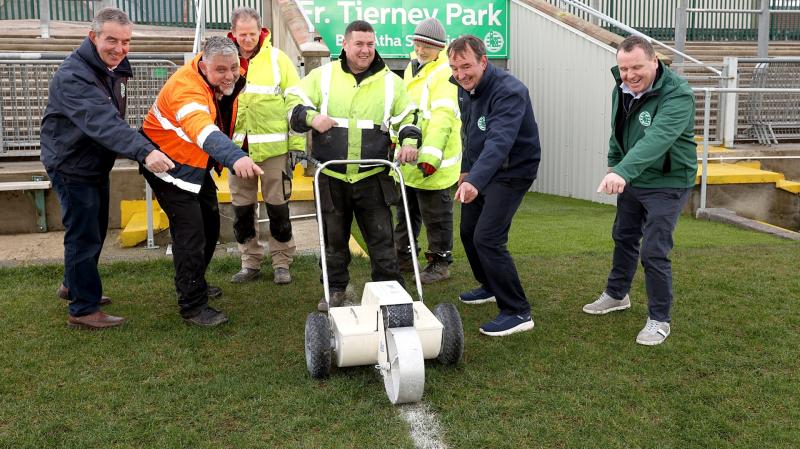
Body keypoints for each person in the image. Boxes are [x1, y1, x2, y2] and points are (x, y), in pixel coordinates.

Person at [40, 7, 174, 329]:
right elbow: (103, 122)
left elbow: (113, 121)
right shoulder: (74, 75)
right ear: (93, 37)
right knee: (84, 235)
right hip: (72, 165)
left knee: (94, 229)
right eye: (111, 40)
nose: (120, 48)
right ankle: (83, 309)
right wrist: (145, 152)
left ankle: (74, 285)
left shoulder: (112, 68)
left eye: (126, 42)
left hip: (92, 163)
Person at [285, 20, 422, 312]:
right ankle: (334, 290)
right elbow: (293, 101)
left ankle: (390, 292)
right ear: (344, 45)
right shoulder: (322, 77)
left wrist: (410, 143)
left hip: (373, 177)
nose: (365, 50)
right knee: (333, 241)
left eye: (370, 44)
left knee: (382, 241)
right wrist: (311, 118)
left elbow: (409, 116)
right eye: (359, 44)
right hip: (331, 177)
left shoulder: (390, 83)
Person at [141, 36, 263, 327]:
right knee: (191, 235)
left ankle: (195, 284)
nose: (230, 75)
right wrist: (236, 158)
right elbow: (203, 130)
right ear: (203, 63)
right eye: (221, 70)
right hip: (167, 166)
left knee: (209, 225)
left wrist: (225, 88)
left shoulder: (224, 73)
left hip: (193, 163)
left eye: (233, 67)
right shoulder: (186, 89)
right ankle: (193, 306)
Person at [584, 35, 697, 346]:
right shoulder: (621, 89)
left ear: (654, 62)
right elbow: (618, 131)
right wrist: (613, 163)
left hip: (668, 182)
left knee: (654, 251)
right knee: (623, 236)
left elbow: (657, 139)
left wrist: (623, 170)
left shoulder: (678, 95)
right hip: (634, 178)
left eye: (637, 67)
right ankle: (617, 295)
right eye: (623, 68)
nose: (630, 75)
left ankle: (659, 320)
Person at [449, 35, 541, 337]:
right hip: (481, 171)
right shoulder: (465, 89)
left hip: (512, 171)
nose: (461, 74)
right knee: (467, 232)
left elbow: (499, 141)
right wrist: (466, 171)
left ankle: (517, 311)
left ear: (483, 61)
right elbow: (468, 132)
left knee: (488, 237)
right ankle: (489, 285)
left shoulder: (509, 91)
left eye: (466, 66)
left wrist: (476, 179)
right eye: (455, 68)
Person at [226, 7, 305, 286]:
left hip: (275, 152)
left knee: (278, 208)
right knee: (243, 210)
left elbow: (295, 103)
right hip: (237, 152)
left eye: (252, 33)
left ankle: (282, 262)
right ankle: (250, 262)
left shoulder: (278, 60)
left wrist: (296, 144)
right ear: (233, 33)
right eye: (242, 34)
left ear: (261, 31)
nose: (247, 39)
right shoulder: (224, 59)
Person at [393, 18, 461, 285]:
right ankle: (404, 257)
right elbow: (408, 110)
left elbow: (443, 118)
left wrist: (431, 157)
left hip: (435, 161)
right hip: (410, 157)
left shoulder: (445, 73)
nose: (421, 50)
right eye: (418, 43)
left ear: (440, 47)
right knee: (405, 213)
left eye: (428, 46)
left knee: (437, 217)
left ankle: (440, 263)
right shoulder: (413, 67)